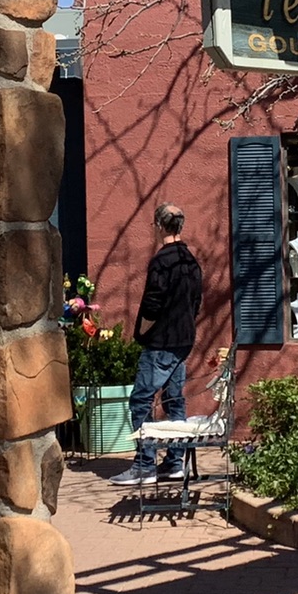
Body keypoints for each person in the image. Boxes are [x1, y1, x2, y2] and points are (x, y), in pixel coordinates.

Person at [116, 202, 203, 487]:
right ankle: (174, 463)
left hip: (162, 342)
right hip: (183, 340)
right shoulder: (190, 261)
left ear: (158, 226)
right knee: (174, 399)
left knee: (141, 399)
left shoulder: (162, 261)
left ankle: (144, 464)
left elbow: (153, 303)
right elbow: (196, 302)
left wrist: (142, 330)